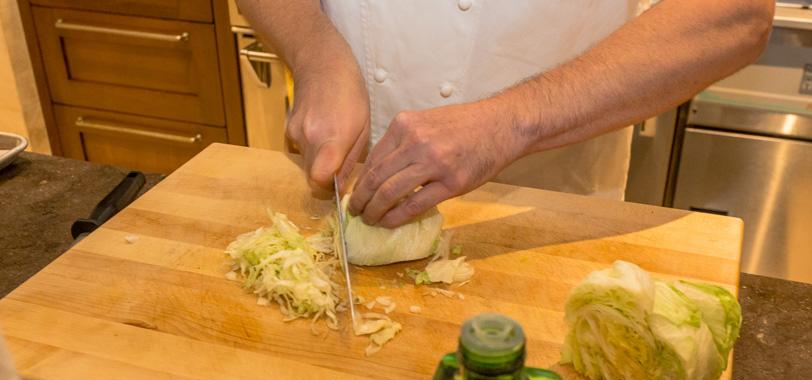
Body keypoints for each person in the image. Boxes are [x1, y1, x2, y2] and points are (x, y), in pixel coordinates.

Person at [238, 0, 773, 228]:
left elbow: (737, 12)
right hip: (348, 181)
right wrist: (316, 54)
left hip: (545, 200)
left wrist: (510, 122)